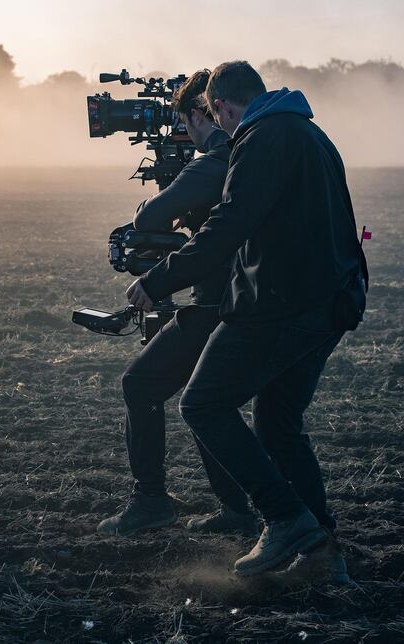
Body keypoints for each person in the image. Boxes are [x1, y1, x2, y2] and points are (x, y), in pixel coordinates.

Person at [128, 61, 367, 576]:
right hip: (330, 303)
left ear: (221, 108)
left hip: (279, 305)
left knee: (202, 404)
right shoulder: (309, 132)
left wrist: (158, 280)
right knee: (278, 424)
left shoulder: (259, 140)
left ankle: (284, 520)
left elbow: (227, 227)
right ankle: (322, 550)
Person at [97, 70, 257, 538]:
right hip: (245, 298)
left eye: (185, 122)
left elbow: (150, 217)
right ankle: (236, 509)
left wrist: (176, 190)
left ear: (199, 115)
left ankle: (151, 502)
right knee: (204, 400)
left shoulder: (215, 160)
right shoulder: (248, 152)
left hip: (215, 304)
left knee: (140, 385)